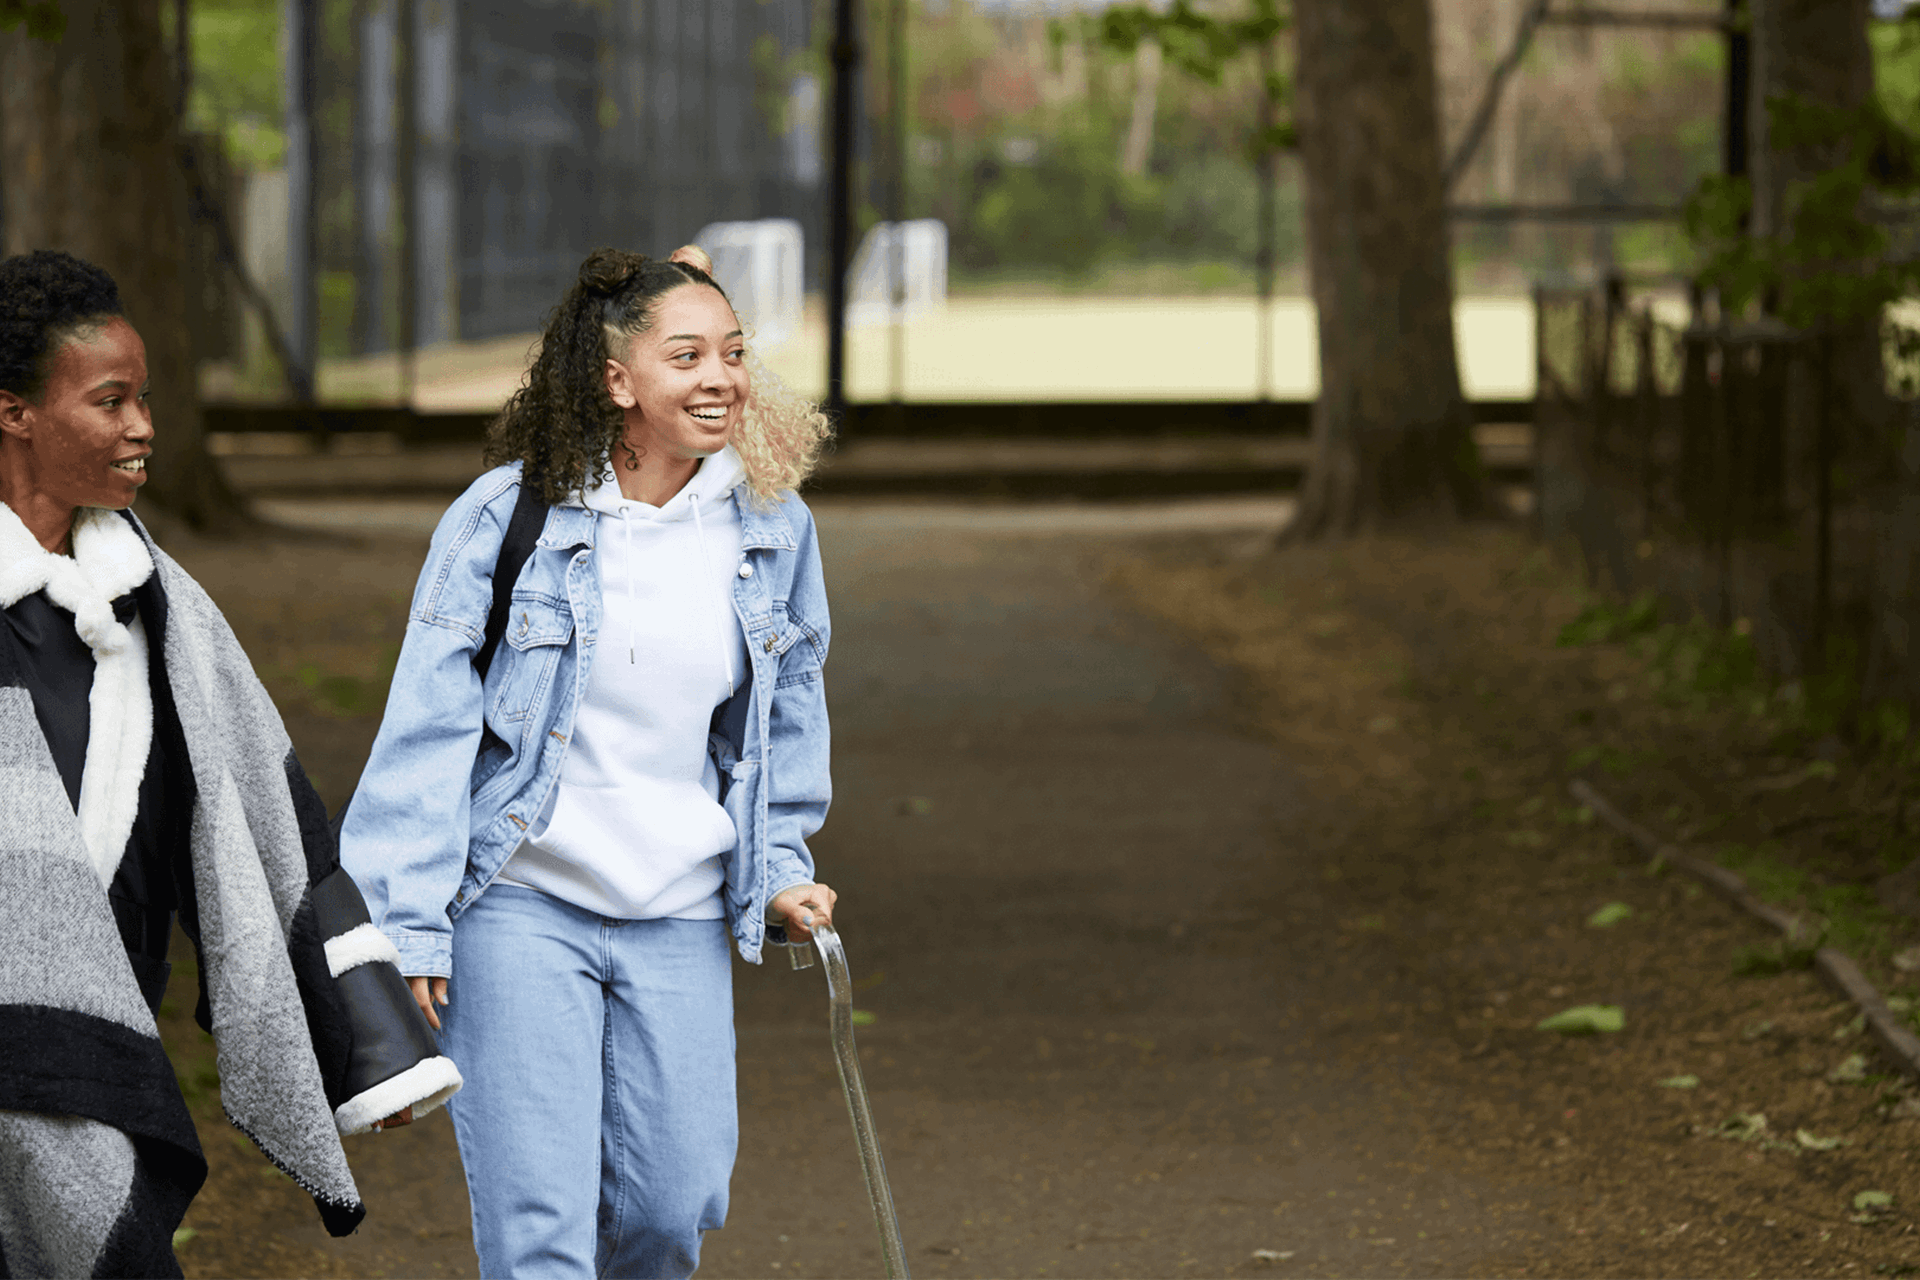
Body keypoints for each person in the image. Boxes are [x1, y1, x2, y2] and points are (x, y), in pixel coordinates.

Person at [339, 244, 838, 1279]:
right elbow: (426, 728)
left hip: (680, 909)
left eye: (734, 353)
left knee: (667, 1208)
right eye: (687, 353)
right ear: (619, 380)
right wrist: (410, 919)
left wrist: (782, 862)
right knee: (541, 1232)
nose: (720, 377)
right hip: (522, 902)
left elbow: (786, 710)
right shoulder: (504, 518)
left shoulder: (772, 525)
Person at [0, 249, 460, 1278]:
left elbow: (272, 826)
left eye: (146, 399)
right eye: (110, 400)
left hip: (97, 1057)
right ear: (14, 412)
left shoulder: (163, 614)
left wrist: (371, 1041)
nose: (143, 426)